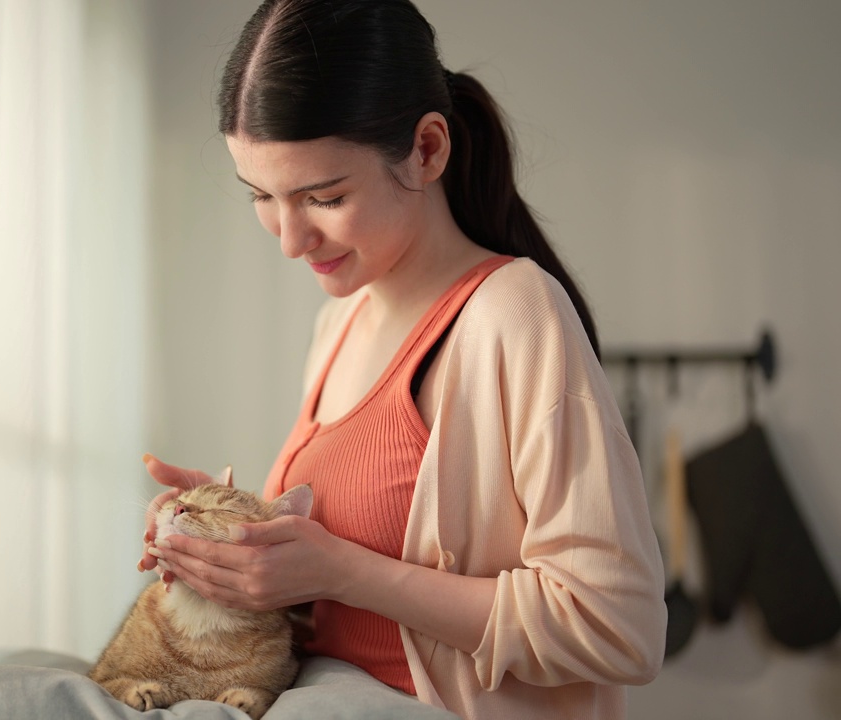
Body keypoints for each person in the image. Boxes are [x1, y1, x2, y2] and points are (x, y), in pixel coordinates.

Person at [138, 1, 667, 719]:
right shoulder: (338, 324)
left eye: (323, 197)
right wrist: (233, 553)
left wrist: (346, 572)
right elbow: (341, 626)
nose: (290, 239)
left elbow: (619, 627)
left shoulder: (514, 313)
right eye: (262, 196)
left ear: (425, 150)